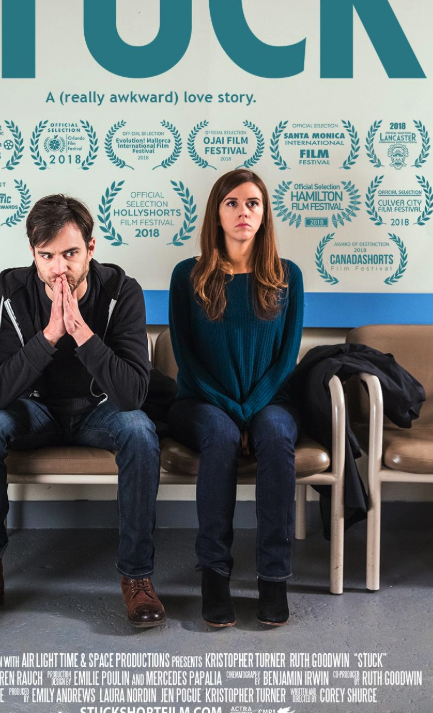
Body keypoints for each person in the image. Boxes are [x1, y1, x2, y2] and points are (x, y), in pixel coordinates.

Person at [0, 194, 165, 631]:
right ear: (33, 254)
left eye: (70, 253)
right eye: (46, 256)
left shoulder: (122, 291)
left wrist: (82, 333)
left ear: (91, 248)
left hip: (100, 411)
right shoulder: (11, 290)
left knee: (140, 431)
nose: (58, 268)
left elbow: (133, 393)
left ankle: (136, 575)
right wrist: (48, 336)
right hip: (35, 412)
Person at [167, 170, 304, 627]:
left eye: (252, 203)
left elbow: (286, 359)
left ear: (264, 214)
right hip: (202, 401)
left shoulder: (288, 276)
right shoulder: (187, 275)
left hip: (270, 402)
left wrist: (252, 410)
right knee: (222, 435)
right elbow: (185, 357)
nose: (243, 211)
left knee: (276, 435)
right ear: (216, 212)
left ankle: (273, 578)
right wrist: (233, 410)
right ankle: (215, 576)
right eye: (232, 203)